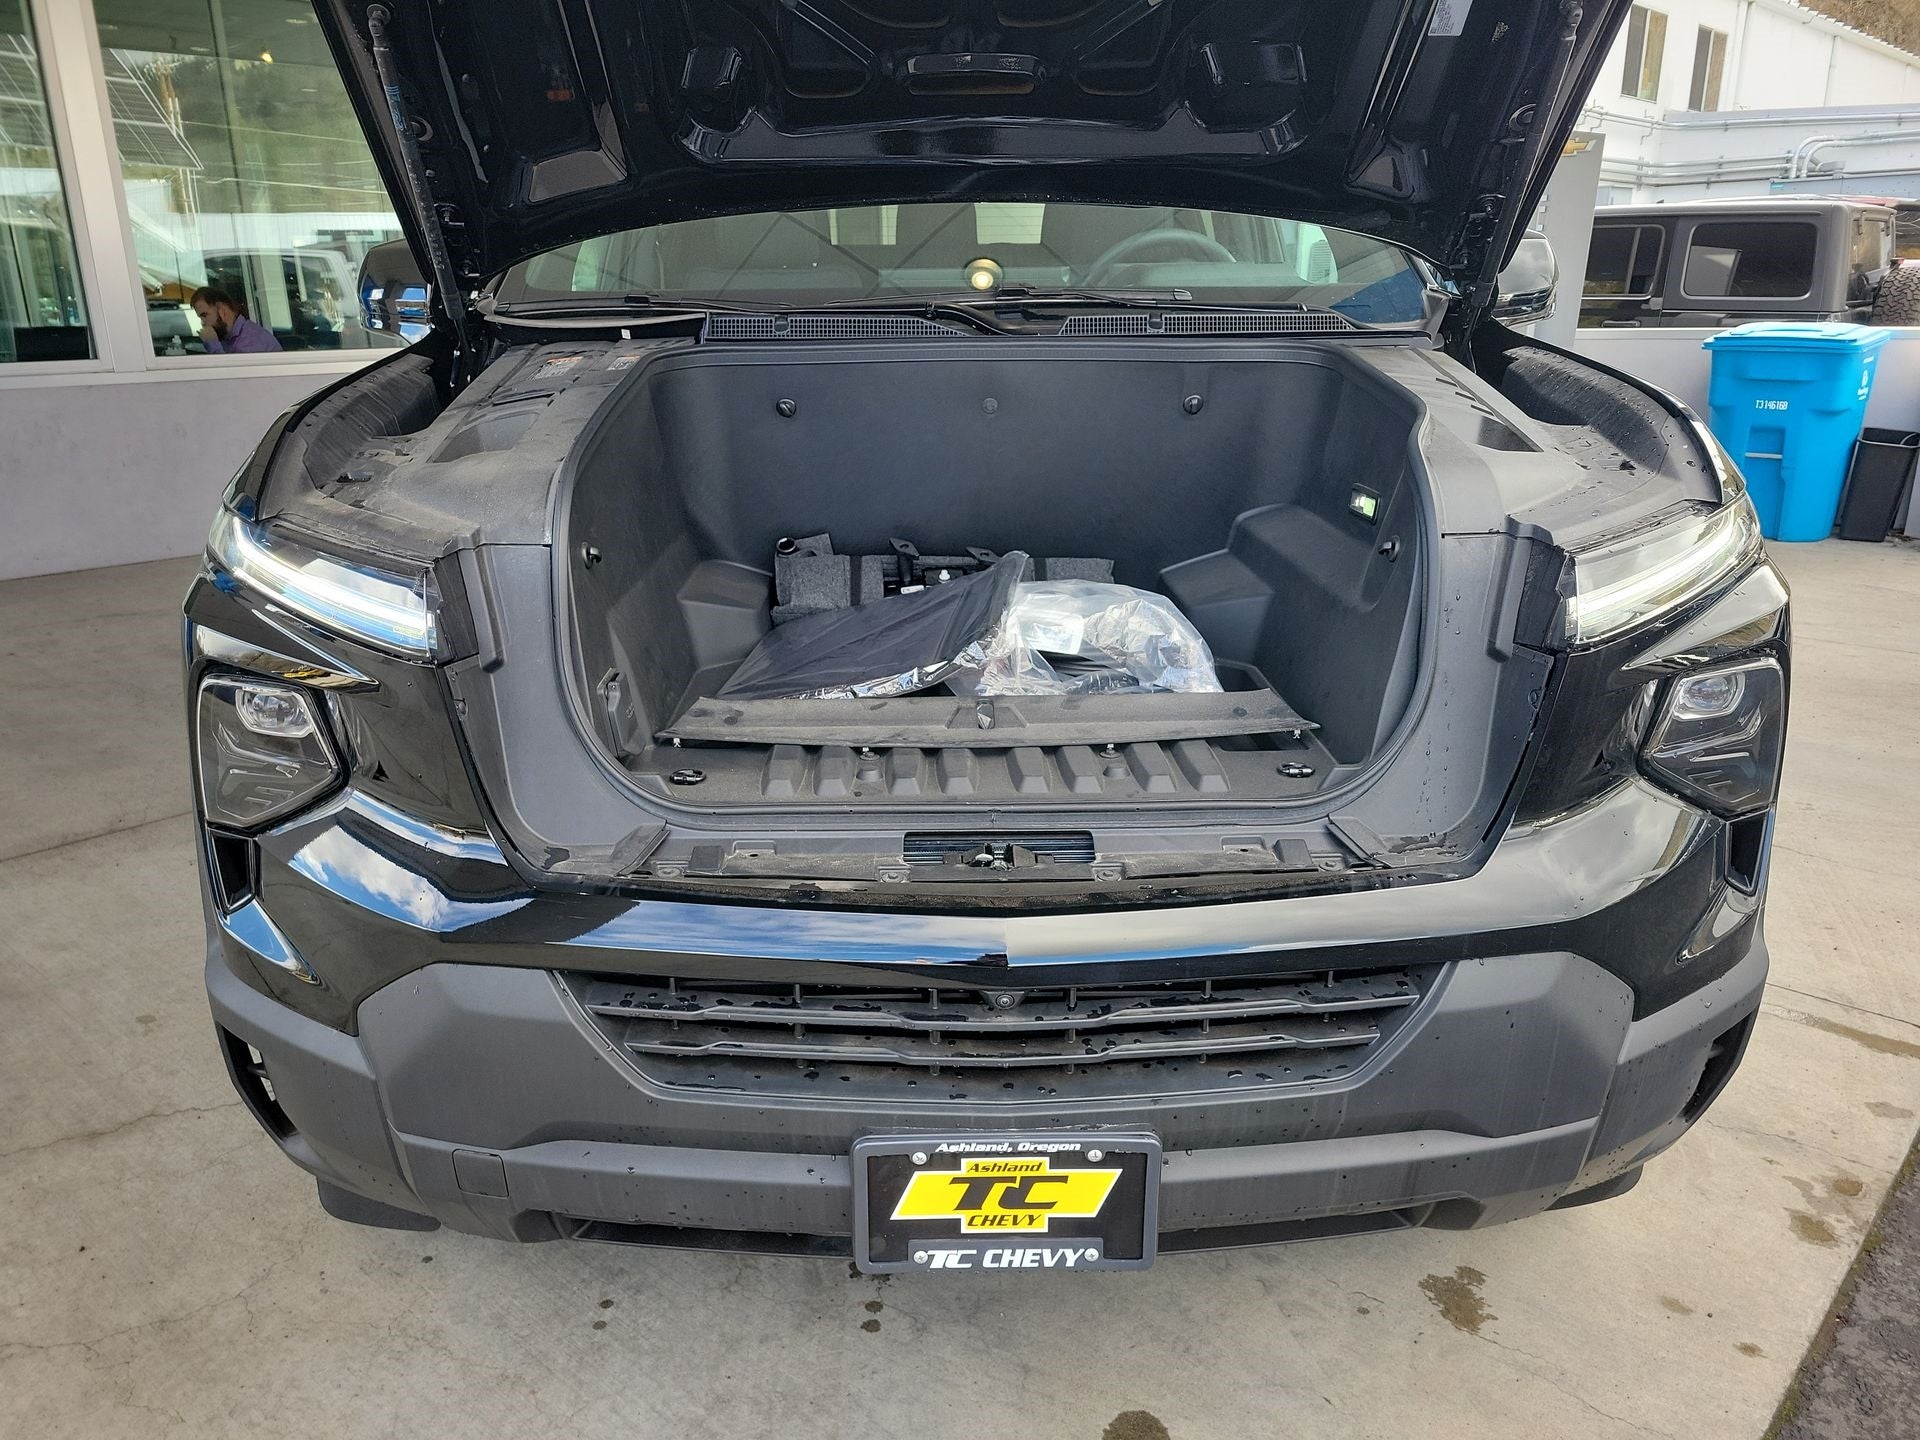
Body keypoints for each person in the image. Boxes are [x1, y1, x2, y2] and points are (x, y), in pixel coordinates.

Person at [190, 287, 282, 354]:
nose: (203, 323)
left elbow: (232, 376)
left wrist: (213, 344)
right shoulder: (228, 337)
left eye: (205, 315)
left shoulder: (250, 339)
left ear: (223, 312)